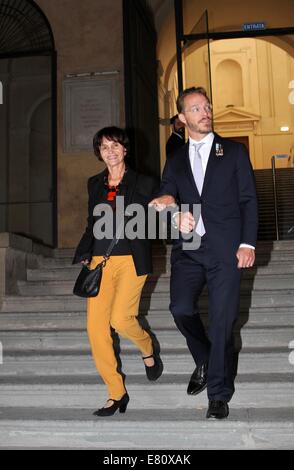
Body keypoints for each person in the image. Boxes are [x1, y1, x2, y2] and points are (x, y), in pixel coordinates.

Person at [150, 87, 258, 419]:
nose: (205, 112)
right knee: (180, 308)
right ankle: (207, 357)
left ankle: (218, 393)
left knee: (223, 321)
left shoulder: (235, 152)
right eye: (196, 108)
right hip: (189, 248)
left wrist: (247, 243)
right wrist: (168, 209)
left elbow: (248, 200)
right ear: (182, 118)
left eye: (207, 106)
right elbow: (166, 193)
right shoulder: (176, 158)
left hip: (226, 248)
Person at [73, 126, 163, 417]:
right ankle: (116, 392)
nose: (109, 152)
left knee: (122, 319)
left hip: (132, 260)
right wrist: (86, 252)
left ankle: (147, 347)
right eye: (103, 147)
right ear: (99, 153)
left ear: (125, 149)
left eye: (115, 146)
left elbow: (158, 215)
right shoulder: (93, 184)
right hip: (101, 261)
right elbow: (92, 222)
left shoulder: (144, 182)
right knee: (96, 329)